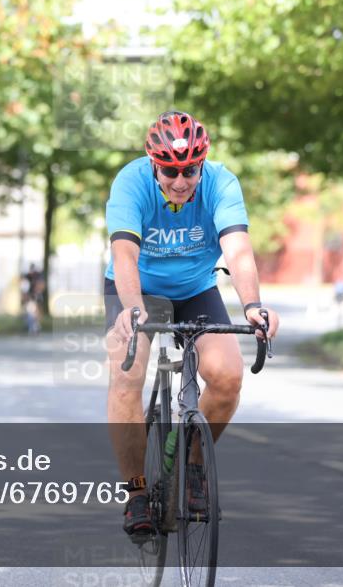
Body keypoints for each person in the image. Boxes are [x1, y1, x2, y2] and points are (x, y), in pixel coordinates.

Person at [104, 110, 281, 536]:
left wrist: (254, 305)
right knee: (127, 374)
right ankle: (137, 493)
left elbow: (237, 251)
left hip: (196, 289)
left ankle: (195, 468)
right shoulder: (130, 183)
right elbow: (125, 254)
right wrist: (131, 310)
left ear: (202, 163)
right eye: (169, 171)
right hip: (138, 290)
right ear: (153, 165)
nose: (180, 181)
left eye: (189, 170)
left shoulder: (222, 183)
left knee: (226, 376)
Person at [23, 263, 45, 333]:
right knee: (30, 310)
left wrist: (38, 292)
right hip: (31, 296)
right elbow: (24, 285)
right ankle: (32, 326)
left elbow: (41, 285)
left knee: (37, 310)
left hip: (37, 295)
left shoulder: (38, 276)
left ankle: (36, 325)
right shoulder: (28, 276)